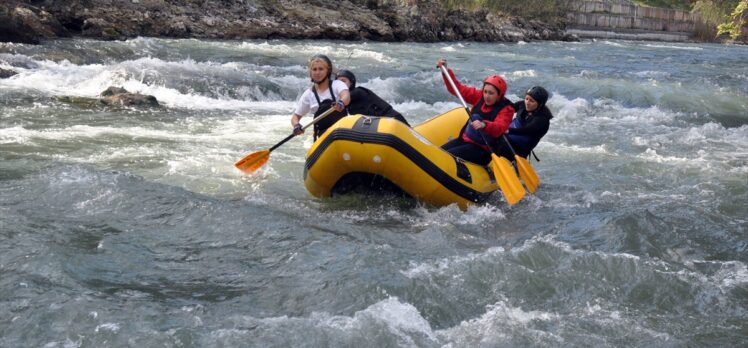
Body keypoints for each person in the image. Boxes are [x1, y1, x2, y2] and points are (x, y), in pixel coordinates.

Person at [436, 58, 515, 166]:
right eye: (485, 91)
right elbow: (457, 89)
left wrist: (484, 125)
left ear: (499, 95)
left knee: (447, 157)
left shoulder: (506, 109)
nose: (486, 96)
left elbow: (500, 127)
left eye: (491, 93)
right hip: (464, 140)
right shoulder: (479, 96)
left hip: (482, 150)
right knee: (438, 153)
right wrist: (445, 71)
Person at [290, 54, 350, 140]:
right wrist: (296, 125)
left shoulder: (338, 84)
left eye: (321, 69)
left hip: (342, 131)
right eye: (314, 69)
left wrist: (341, 103)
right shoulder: (308, 94)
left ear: (327, 71)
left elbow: (346, 96)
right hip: (322, 137)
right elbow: (295, 117)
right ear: (311, 73)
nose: (317, 73)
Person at [336, 70, 410, 126]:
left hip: (393, 119)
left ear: (351, 83)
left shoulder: (358, 92)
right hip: (378, 125)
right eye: (338, 82)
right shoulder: (346, 103)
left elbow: (345, 98)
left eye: (343, 81)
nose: (340, 84)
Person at [497, 86, 553, 160]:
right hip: (505, 139)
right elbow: (509, 108)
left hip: (518, 151)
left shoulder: (542, 118)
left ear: (540, 104)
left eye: (531, 101)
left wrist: (508, 130)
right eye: (526, 99)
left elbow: (527, 130)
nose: (527, 103)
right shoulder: (522, 105)